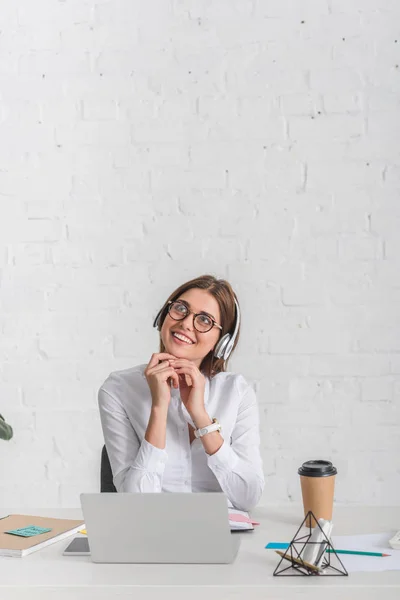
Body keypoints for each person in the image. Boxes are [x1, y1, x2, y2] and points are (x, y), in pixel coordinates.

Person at [98, 274, 264, 511]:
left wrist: (200, 415)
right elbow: (134, 504)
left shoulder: (236, 393)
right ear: (163, 317)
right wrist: (159, 407)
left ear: (222, 342)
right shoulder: (118, 389)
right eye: (180, 309)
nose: (186, 323)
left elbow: (248, 498)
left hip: (221, 535)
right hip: (150, 537)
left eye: (205, 320)